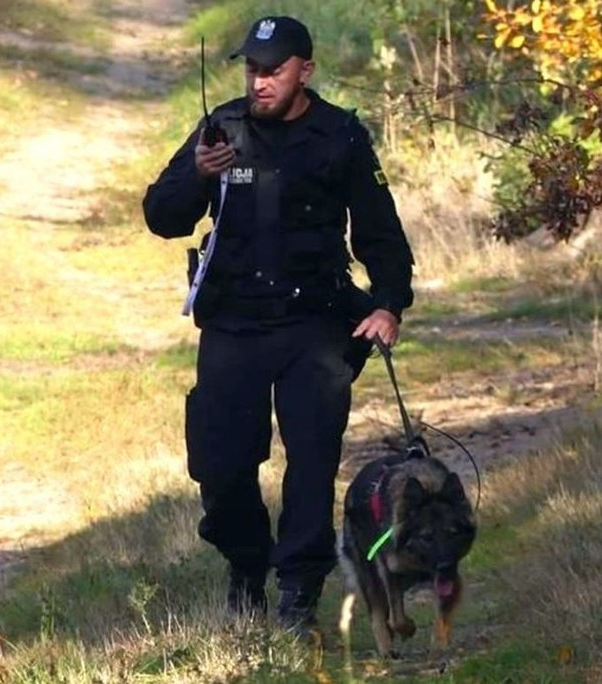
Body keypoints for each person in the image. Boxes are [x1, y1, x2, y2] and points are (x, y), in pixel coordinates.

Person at [142, 15, 414, 634]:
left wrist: (388, 304)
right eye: (252, 70)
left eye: (274, 70)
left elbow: (380, 233)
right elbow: (161, 215)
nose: (260, 82)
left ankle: (298, 591)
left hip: (313, 325)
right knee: (222, 465)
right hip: (234, 326)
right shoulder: (223, 130)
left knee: (312, 463)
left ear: (305, 71)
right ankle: (246, 566)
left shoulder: (340, 136)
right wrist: (198, 175)